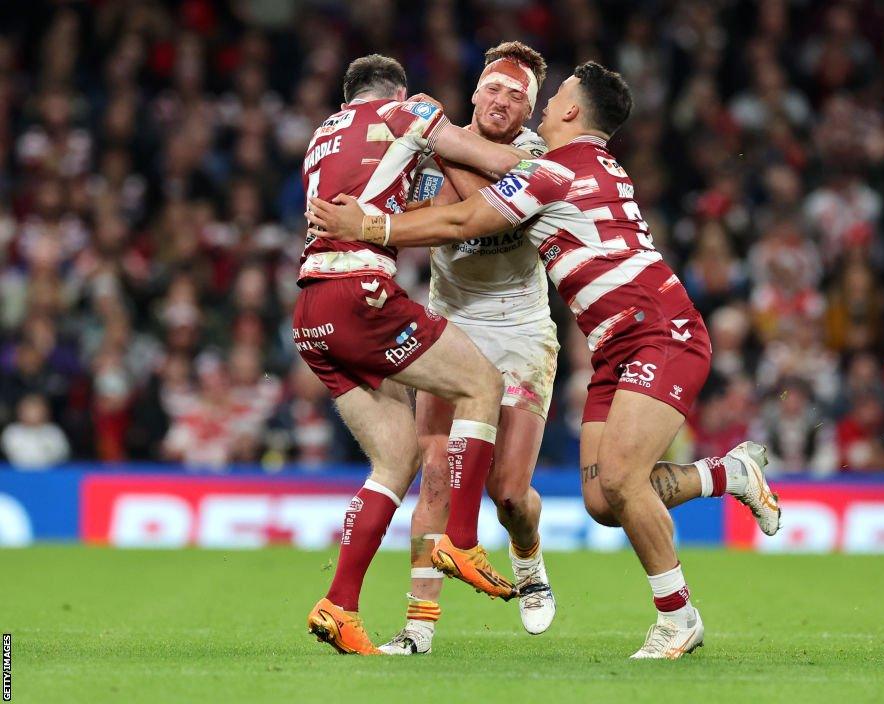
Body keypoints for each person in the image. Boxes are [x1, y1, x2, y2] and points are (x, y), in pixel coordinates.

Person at [307, 61, 782, 659]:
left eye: (545, 94)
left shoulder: (550, 166)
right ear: (476, 91)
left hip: (644, 332)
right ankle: (729, 474)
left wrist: (369, 226)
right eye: (495, 87)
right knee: (604, 503)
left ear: (562, 112)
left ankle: (677, 617)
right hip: (603, 341)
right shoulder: (532, 159)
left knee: (550, 487)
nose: (522, 99)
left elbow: (462, 218)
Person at [296, 54, 533, 656]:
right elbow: (499, 162)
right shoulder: (407, 112)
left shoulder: (320, 138)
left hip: (311, 311)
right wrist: (544, 168)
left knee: (395, 459)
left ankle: (339, 605)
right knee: (480, 384)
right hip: (362, 293)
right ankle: (460, 538)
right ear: (395, 90)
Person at [379, 42, 557, 656]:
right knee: (434, 478)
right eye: (496, 88)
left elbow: (489, 216)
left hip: (521, 328)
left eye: (519, 96)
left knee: (509, 492)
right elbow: (416, 213)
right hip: (451, 322)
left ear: (530, 114)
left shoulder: (535, 156)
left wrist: (439, 140)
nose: (504, 100)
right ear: (476, 92)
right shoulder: (429, 143)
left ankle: (528, 558)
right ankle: (419, 627)